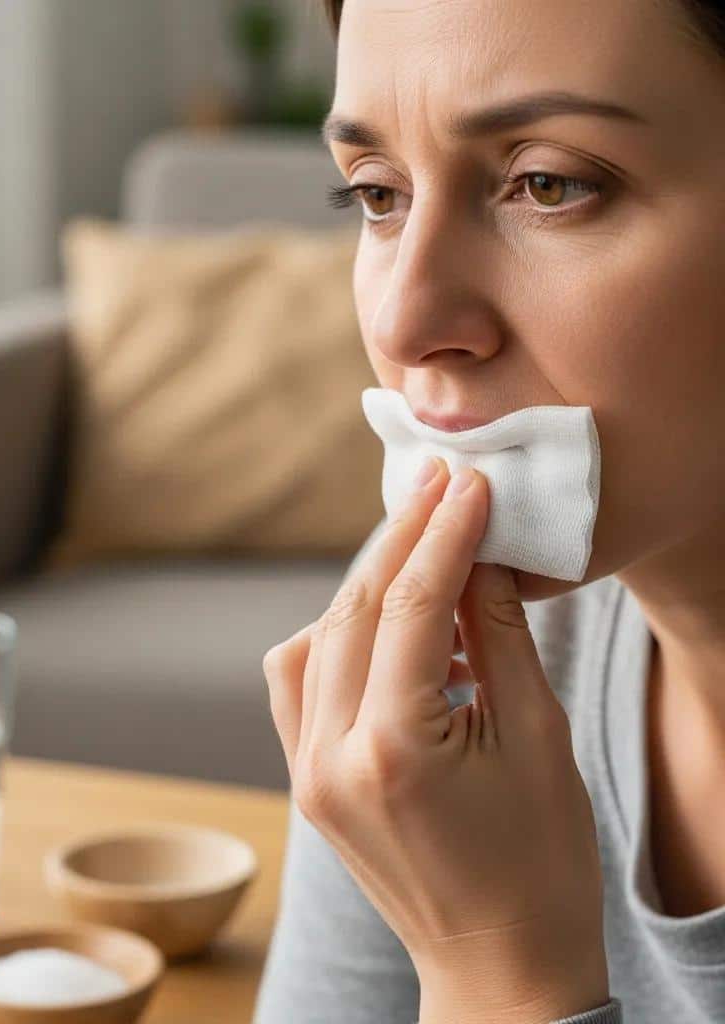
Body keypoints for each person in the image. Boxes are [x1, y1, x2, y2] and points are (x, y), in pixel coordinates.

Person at [252, 1, 725, 1022]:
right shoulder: (440, 659)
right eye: (375, 194)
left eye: (547, 184)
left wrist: (494, 970)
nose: (403, 319)